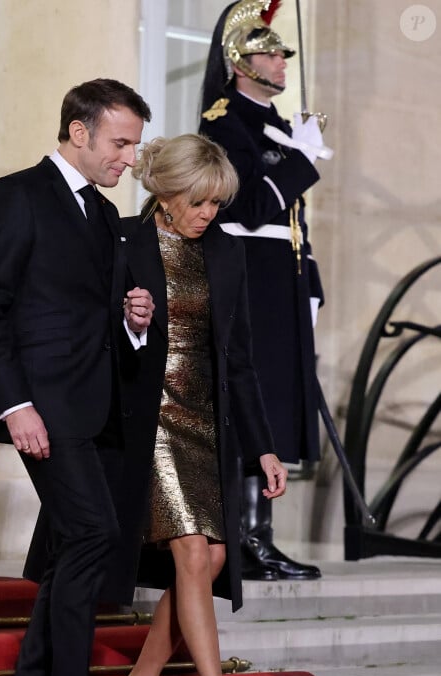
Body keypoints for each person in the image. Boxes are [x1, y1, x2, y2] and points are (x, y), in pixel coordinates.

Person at [0, 78, 153, 676]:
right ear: (79, 131)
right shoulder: (16, 196)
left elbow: (101, 321)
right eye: (120, 141)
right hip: (41, 407)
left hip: (96, 408)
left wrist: (134, 324)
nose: (129, 157)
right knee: (94, 534)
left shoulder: (105, 217)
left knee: (73, 550)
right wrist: (13, 405)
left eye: (133, 144)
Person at [115, 134, 287, 676]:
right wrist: (130, 321)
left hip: (205, 422)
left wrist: (264, 449)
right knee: (192, 550)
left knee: (213, 556)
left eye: (216, 202)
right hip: (148, 418)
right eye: (198, 200)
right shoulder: (124, 242)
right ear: (164, 191)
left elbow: (240, 359)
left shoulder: (226, 252)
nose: (208, 213)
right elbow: (98, 335)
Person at [199, 0, 328, 581]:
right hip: (249, 271)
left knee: (276, 400)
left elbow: (291, 220)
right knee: (255, 398)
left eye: (281, 53)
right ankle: (245, 539)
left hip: (281, 276)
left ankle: (261, 535)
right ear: (239, 61)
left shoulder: (275, 124)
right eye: (269, 53)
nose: (281, 61)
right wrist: (299, 160)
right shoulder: (225, 123)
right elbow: (247, 207)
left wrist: (311, 276)